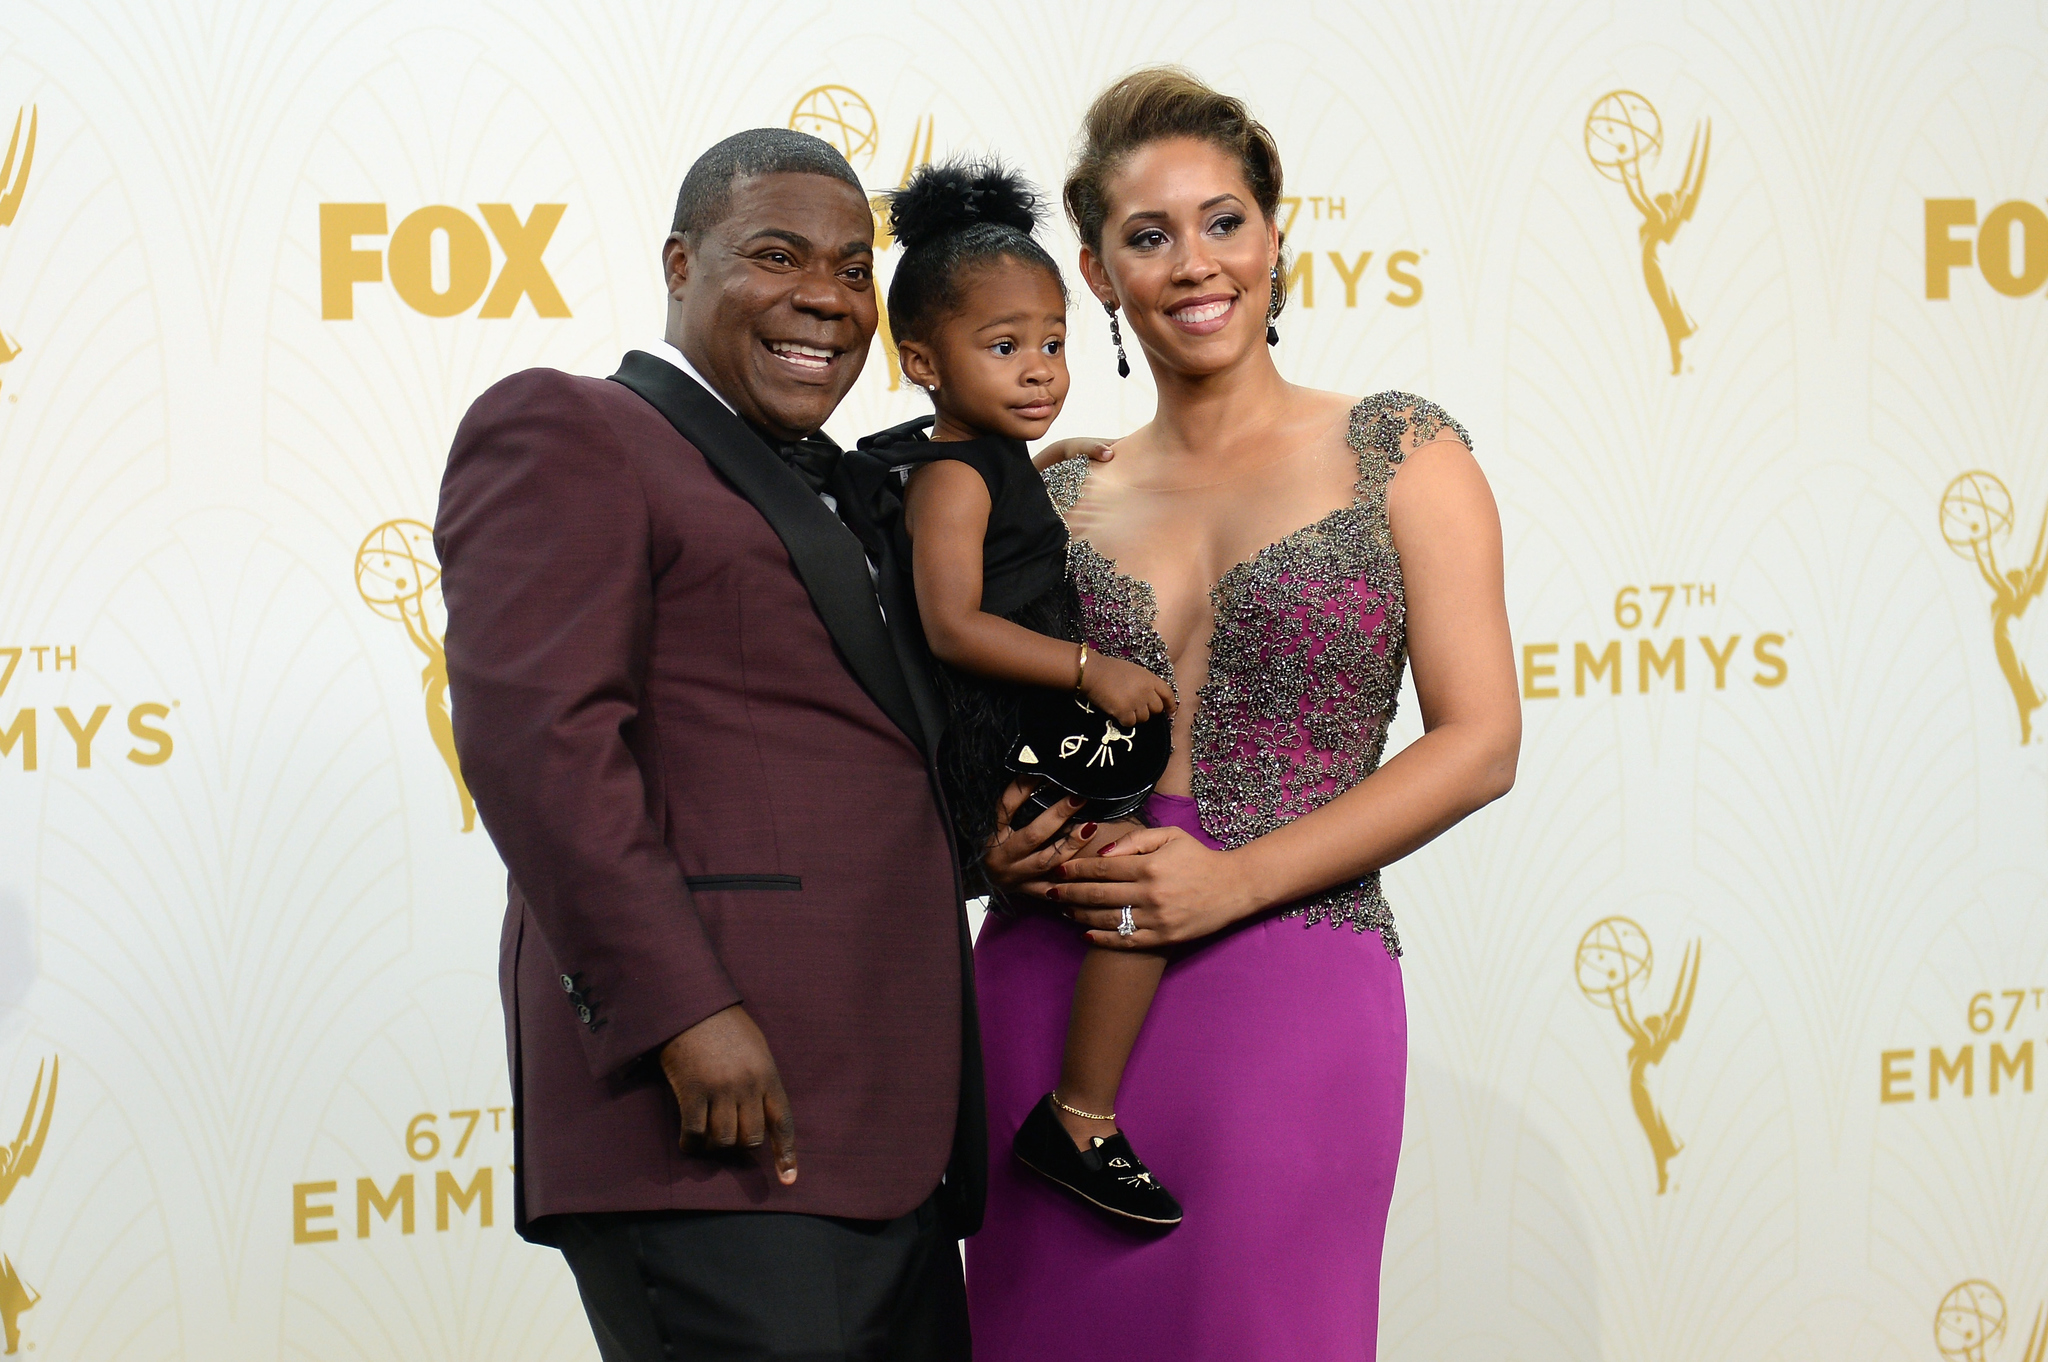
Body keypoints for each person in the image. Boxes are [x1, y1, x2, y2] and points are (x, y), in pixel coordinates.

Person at [435, 127, 1024, 1362]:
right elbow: (539, 743)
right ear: (678, 263)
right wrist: (680, 1011)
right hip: (712, 1120)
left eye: (854, 269)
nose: (825, 295)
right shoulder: (570, 429)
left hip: (890, 1127)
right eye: (776, 253)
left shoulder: (846, 485)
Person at [967, 69, 1522, 1361]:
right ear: (1098, 272)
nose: (1194, 263)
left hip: (1290, 971)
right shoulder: (1049, 495)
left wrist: (1229, 882)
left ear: (1278, 234)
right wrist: (985, 839)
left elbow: (1480, 738)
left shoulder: (1400, 451)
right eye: (1148, 236)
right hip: (1048, 975)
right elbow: (982, 747)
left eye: (1225, 221)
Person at [844, 158, 1182, 1229]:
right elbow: (953, 622)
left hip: (1021, 732)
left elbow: (994, 531)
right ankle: (1077, 1117)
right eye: (1003, 349)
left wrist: (1040, 464)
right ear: (921, 362)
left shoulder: (979, 457)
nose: (1039, 370)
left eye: (1051, 343)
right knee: (1136, 889)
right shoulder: (954, 474)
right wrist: (1093, 669)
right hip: (997, 747)